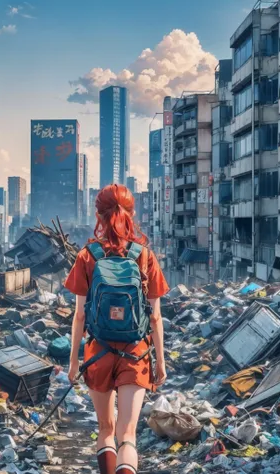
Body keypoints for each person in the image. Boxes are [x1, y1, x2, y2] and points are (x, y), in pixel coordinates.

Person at [64, 184, 169, 474]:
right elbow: (156, 317)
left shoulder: (88, 256)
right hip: (136, 354)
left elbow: (79, 315)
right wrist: (160, 362)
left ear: (98, 215)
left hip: (97, 352)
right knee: (128, 435)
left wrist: (74, 361)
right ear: (131, 214)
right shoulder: (144, 256)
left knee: (105, 429)